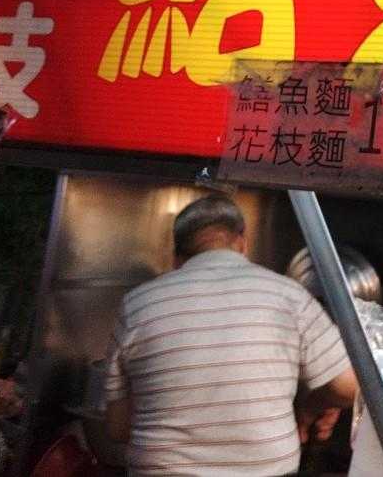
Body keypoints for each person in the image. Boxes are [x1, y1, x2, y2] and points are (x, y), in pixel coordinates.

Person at [102, 195, 358, 476]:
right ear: (242, 243)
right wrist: (310, 409)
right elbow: (348, 387)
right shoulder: (289, 295)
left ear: (176, 258)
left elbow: (117, 428)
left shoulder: (136, 305)